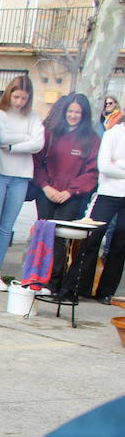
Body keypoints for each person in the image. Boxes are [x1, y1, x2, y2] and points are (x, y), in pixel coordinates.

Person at [31, 92, 99, 297]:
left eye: (78, 112)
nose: (73, 115)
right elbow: (35, 162)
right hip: (46, 192)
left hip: (71, 196)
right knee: (43, 233)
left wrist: (70, 191)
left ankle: (53, 282)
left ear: (84, 114)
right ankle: (35, 278)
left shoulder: (91, 139)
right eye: (70, 111)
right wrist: (45, 186)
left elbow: (92, 172)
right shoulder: (49, 133)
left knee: (60, 238)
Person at [0, 76, 44, 291]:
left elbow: (39, 143)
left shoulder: (34, 117)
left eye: (24, 98)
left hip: (21, 175)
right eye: (16, 97)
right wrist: (25, 137)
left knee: (7, 228)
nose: (19, 102)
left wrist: (14, 145)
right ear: (9, 94)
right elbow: (0, 138)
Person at [81, 118, 125, 303]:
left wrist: (119, 163)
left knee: (120, 246)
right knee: (92, 238)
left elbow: (113, 166)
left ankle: (106, 292)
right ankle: (81, 287)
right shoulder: (112, 134)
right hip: (107, 193)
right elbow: (105, 166)